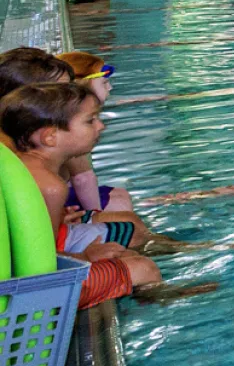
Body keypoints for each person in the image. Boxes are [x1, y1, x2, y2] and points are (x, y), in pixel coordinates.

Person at [0, 84, 213, 305]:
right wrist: (85, 257)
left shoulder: (26, 166)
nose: (101, 126)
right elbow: (37, 263)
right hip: (40, 291)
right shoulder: (50, 187)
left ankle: (179, 256)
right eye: (90, 121)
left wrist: (60, 220)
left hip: (51, 254)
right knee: (143, 268)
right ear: (50, 137)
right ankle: (161, 298)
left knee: (129, 230)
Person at [53, 52, 131, 212]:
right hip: (55, 200)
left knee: (121, 195)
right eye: (104, 82)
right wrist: (96, 215)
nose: (110, 87)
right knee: (121, 207)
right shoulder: (71, 124)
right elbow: (82, 178)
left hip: (58, 192)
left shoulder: (60, 113)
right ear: (83, 85)